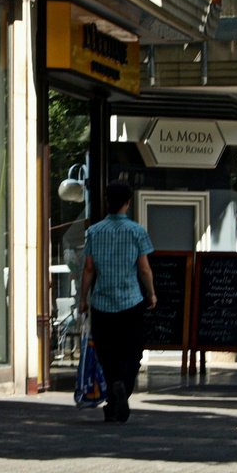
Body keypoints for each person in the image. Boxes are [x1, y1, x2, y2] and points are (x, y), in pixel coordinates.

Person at [78, 180, 155, 423]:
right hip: (131, 301)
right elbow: (143, 268)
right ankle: (122, 387)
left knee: (107, 354)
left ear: (107, 201)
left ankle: (114, 402)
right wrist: (151, 293)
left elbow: (88, 269)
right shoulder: (137, 231)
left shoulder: (94, 231)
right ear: (128, 202)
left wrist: (83, 299)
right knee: (132, 352)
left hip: (102, 303)